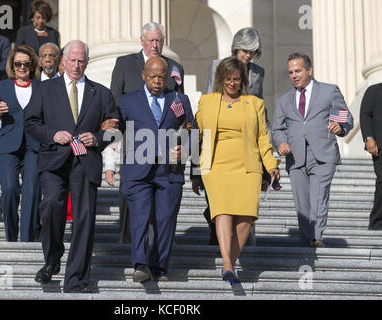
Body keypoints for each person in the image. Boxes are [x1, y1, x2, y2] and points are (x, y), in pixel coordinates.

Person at [24, 40, 119, 293]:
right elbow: (31, 122)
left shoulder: (101, 92)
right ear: (63, 60)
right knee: (52, 205)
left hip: (86, 162)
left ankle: (76, 278)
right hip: (55, 160)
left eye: (81, 61)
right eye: (72, 60)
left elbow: (115, 128)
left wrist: (97, 138)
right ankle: (53, 258)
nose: (76, 65)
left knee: (84, 220)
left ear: (86, 62)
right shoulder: (45, 89)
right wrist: (52, 134)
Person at [191, 57, 280, 283]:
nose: (233, 84)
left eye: (237, 80)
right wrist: (194, 170)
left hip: (247, 166)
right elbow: (197, 136)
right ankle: (227, 262)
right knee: (222, 211)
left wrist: (270, 166)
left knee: (246, 217)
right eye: (229, 79)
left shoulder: (255, 104)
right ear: (221, 79)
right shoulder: (207, 101)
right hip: (216, 164)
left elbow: (262, 138)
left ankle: (231, 259)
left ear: (243, 81)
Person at [119, 56, 195, 283]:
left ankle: (160, 267)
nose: (157, 81)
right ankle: (140, 264)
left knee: (166, 219)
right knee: (140, 217)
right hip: (137, 171)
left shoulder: (178, 100)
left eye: (161, 76)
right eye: (152, 76)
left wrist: (185, 150)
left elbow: (192, 130)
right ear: (143, 75)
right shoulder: (127, 101)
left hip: (169, 172)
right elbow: (113, 132)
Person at [110, 22, 185, 243]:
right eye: (151, 40)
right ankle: (128, 243)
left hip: (164, 145)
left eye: (158, 41)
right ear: (142, 41)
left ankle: (154, 247)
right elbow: (114, 102)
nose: (155, 44)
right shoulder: (124, 63)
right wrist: (116, 137)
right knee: (130, 195)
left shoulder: (174, 67)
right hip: (133, 141)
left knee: (160, 201)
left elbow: (180, 109)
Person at [272, 53, 354, 247]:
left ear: (309, 70)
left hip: (323, 154)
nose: (294, 75)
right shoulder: (284, 100)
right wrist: (280, 142)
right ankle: (306, 240)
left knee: (319, 195)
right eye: (291, 72)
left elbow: (346, 117)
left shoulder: (329, 91)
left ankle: (316, 237)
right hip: (295, 156)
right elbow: (277, 129)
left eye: (298, 70)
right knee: (302, 202)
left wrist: (340, 127)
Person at [202, 27, 267, 246]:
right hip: (220, 136)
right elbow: (210, 99)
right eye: (244, 50)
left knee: (245, 199)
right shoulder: (216, 66)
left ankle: (243, 241)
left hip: (247, 138)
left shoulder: (258, 72)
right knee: (219, 200)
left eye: (253, 52)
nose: (248, 55)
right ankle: (216, 230)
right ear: (236, 48)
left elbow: (261, 105)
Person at [0, 45, 41, 242]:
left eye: (26, 64)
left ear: (32, 65)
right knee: (9, 189)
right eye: (18, 64)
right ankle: (11, 236)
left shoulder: (42, 88)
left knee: (32, 191)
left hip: (34, 147)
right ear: (12, 65)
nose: (22, 67)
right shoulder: (0, 87)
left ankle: (27, 240)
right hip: (8, 145)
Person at [360, 84, 382, 230]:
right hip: (380, 147)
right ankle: (376, 223)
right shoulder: (374, 90)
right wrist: (369, 138)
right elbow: (365, 115)